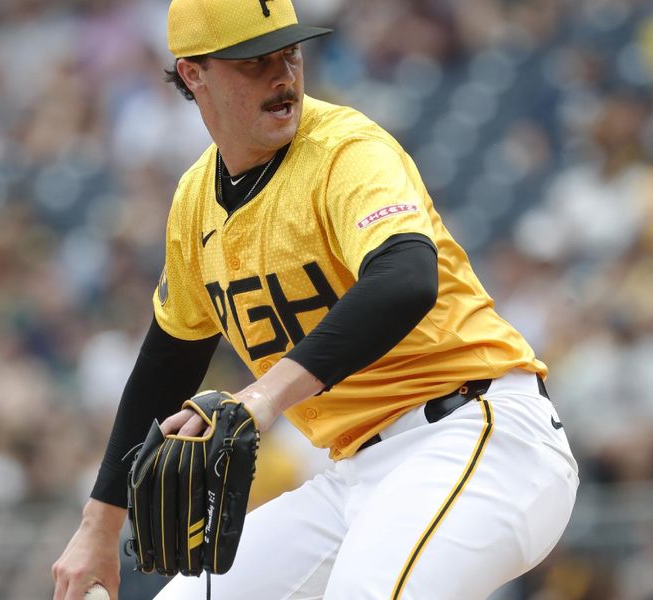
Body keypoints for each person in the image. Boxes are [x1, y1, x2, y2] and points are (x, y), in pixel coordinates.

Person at [52, 0, 579, 598]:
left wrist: (264, 396)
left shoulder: (345, 151)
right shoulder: (195, 199)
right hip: (355, 476)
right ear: (194, 74)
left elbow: (406, 276)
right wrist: (99, 526)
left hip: (477, 436)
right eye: (255, 61)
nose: (283, 75)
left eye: (290, 52)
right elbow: (169, 359)